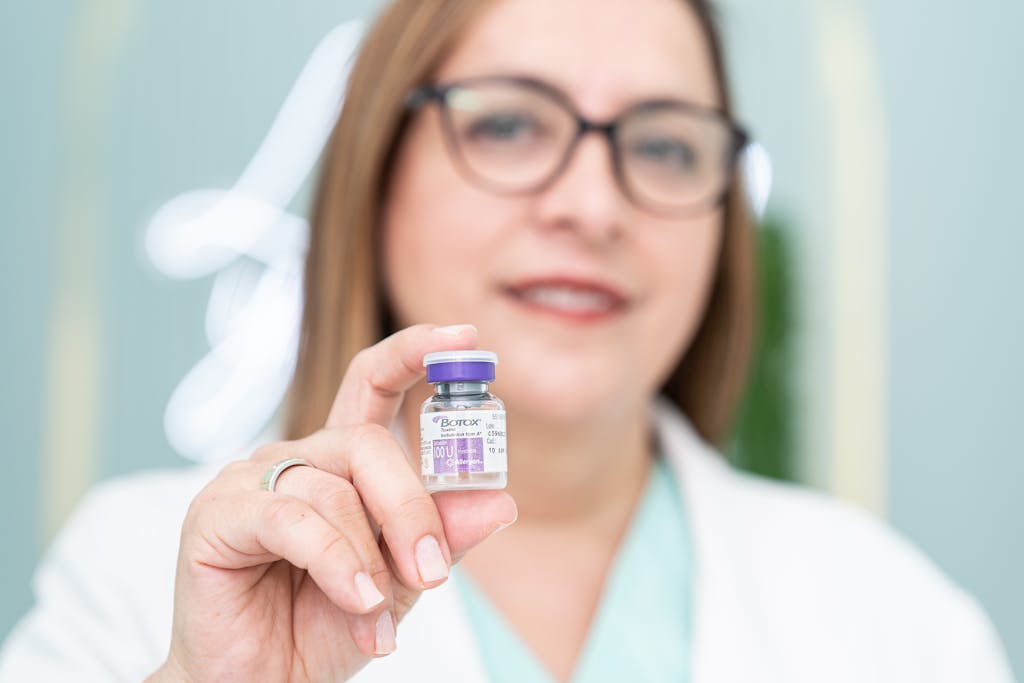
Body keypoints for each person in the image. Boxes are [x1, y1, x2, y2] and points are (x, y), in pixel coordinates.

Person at [0, 0, 1015, 681]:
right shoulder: (136, 574)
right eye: (508, 125)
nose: (592, 205)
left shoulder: (906, 627)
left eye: (665, 144)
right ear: (376, 171)